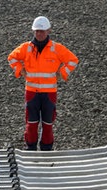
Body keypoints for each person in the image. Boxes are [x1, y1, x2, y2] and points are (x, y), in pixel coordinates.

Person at [8, 16, 79, 151]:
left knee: (48, 123)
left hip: (49, 93)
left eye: (42, 31)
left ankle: (46, 148)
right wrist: (19, 70)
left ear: (48, 31)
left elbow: (73, 60)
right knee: (31, 122)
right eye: (37, 31)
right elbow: (12, 58)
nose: (39, 34)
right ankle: (31, 147)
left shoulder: (56, 48)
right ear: (34, 32)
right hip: (32, 92)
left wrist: (62, 73)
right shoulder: (26, 48)